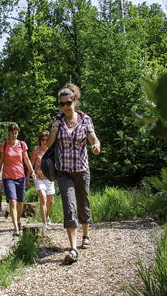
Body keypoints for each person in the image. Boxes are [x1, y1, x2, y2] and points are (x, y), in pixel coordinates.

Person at [47, 83, 101, 264]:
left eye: (67, 103)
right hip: (63, 171)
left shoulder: (85, 119)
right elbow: (49, 145)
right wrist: (54, 129)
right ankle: (73, 246)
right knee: (69, 207)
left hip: (81, 169)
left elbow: (92, 137)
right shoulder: (58, 120)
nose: (64, 107)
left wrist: (95, 144)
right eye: (61, 104)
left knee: (83, 203)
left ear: (74, 101)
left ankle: (85, 234)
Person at [0, 123, 36, 236]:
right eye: (12, 133)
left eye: (16, 133)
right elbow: (1, 162)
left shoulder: (22, 145)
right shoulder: (4, 145)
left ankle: (18, 221)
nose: (14, 135)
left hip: (20, 176)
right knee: (12, 201)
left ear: (18, 133)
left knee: (20, 202)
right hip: (8, 177)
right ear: (9, 133)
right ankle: (15, 228)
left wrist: (32, 171)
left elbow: (26, 159)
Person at [28, 130, 55, 229]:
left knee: (50, 202)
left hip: (49, 178)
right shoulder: (36, 150)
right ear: (40, 140)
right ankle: (44, 223)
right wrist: (29, 176)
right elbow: (30, 163)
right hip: (38, 177)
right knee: (43, 197)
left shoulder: (51, 150)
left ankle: (46, 216)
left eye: (46, 140)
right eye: (43, 139)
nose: (44, 141)